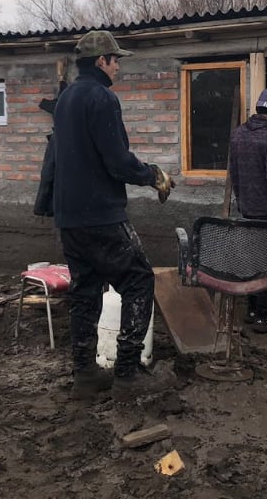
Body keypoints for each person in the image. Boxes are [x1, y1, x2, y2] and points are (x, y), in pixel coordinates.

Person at [52, 30, 176, 402]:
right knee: (139, 279)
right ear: (101, 62)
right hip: (100, 214)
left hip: (69, 216)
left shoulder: (66, 98)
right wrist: (153, 175)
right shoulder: (102, 98)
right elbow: (117, 161)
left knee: (86, 291)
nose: (119, 66)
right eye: (115, 59)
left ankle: (85, 374)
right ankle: (127, 373)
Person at [228, 88, 267, 333]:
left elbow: (235, 173)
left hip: (247, 207)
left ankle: (251, 310)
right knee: (266, 262)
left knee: (250, 260)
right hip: (266, 210)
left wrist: (241, 200)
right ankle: (263, 316)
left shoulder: (238, 134)